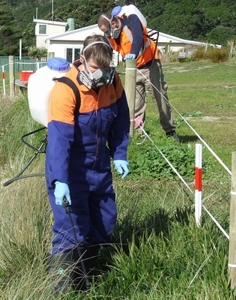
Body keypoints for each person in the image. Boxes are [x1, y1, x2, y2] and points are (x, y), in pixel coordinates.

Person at [45, 34, 130, 294]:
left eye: (105, 69)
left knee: (105, 222)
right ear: (82, 60)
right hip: (71, 169)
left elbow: (120, 119)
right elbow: (59, 140)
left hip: (99, 166)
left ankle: (92, 278)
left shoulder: (113, 81)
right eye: (95, 69)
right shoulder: (66, 89)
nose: (100, 75)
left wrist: (119, 153)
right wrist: (59, 180)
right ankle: (61, 287)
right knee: (72, 229)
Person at [98, 8, 179, 142]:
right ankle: (138, 134)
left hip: (150, 66)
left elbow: (138, 38)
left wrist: (133, 54)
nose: (108, 33)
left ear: (113, 23)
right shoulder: (113, 36)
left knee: (160, 99)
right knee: (135, 104)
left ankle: (170, 131)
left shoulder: (131, 19)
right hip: (132, 70)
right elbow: (109, 49)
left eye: (107, 30)